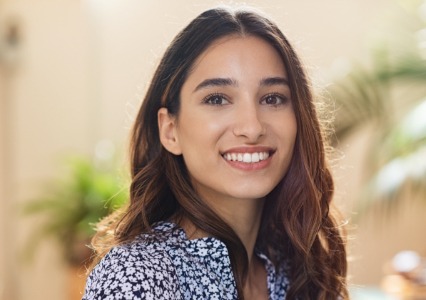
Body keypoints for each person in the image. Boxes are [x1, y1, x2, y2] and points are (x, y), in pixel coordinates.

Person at [82, 6, 348, 300]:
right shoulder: (136, 276)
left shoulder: (298, 269)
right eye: (217, 99)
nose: (252, 127)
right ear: (170, 130)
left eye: (273, 98)